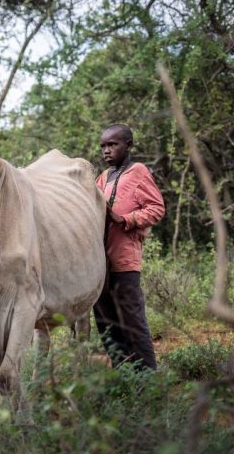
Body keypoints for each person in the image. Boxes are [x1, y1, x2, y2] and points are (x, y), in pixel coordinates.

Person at [93, 124, 165, 370]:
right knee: (106, 324)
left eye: (112, 144)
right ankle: (125, 376)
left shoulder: (138, 171)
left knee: (132, 321)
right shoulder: (102, 177)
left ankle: (147, 379)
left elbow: (156, 209)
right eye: (103, 146)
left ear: (128, 145)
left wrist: (125, 219)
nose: (106, 150)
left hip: (124, 261)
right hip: (100, 265)